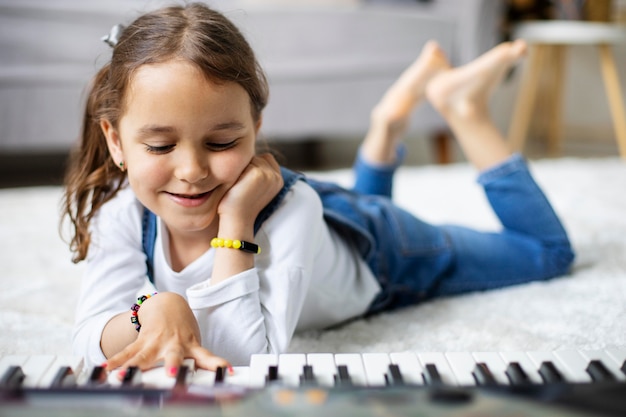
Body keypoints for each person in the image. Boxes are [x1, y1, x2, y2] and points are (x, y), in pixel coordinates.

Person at [62, 3, 574, 378]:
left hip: (385, 258)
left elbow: (245, 360)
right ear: (116, 140)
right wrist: (149, 310)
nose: (192, 170)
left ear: (256, 126)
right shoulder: (121, 214)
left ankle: (465, 111)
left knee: (548, 254)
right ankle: (385, 129)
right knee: (362, 206)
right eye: (159, 146)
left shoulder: (288, 209)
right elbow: (89, 338)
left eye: (222, 141)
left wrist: (237, 222)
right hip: (335, 232)